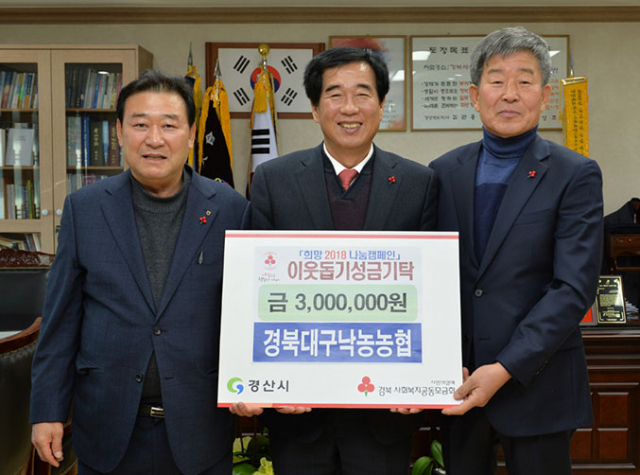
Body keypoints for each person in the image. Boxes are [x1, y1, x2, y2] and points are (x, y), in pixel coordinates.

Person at [230, 46, 438, 475]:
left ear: (382, 104)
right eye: (335, 94)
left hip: (386, 412)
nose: (349, 108)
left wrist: (427, 375)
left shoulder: (418, 183)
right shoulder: (273, 180)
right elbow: (251, 288)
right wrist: (247, 375)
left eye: (362, 94)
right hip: (297, 411)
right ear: (314, 108)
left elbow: (434, 291)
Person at [30, 70, 249, 475]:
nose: (154, 139)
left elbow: (247, 313)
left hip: (200, 428)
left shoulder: (230, 208)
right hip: (107, 426)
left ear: (191, 133)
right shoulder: (85, 208)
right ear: (119, 132)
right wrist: (47, 411)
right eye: (140, 124)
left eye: (169, 125)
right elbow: (60, 321)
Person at [429, 27, 603, 475]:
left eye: (524, 81)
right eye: (496, 80)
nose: (509, 94)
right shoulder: (442, 172)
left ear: (545, 97)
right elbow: (431, 277)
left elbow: (573, 288)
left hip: (539, 385)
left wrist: (504, 367)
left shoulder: (575, 174)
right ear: (474, 94)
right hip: (459, 382)